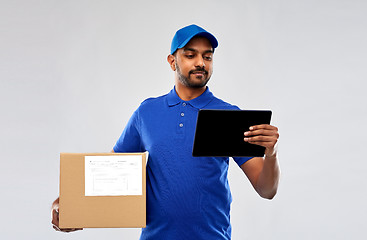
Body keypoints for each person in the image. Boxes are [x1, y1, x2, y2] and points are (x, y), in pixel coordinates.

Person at [52, 24, 280, 239]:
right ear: (172, 61)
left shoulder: (228, 117)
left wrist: (271, 154)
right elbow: (109, 174)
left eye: (207, 56)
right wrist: (70, 205)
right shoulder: (147, 112)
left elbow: (266, 189)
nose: (201, 62)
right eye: (190, 55)